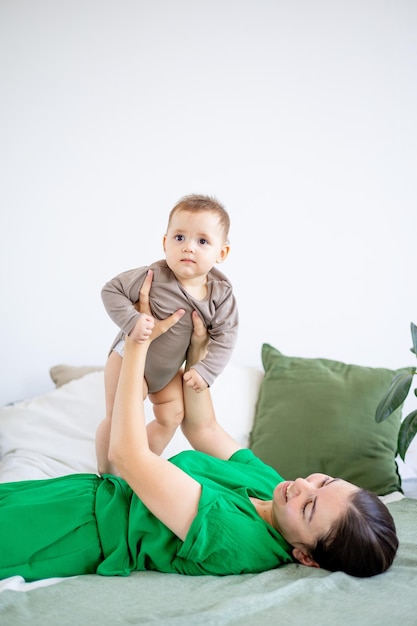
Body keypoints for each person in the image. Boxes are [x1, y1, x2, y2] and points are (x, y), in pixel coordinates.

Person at [0, 274, 398, 582]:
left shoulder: (238, 537)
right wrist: (198, 357)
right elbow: (204, 428)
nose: (302, 486)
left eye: (309, 507)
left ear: (306, 557)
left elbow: (127, 455)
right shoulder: (271, 489)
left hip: (77, 531)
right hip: (81, 493)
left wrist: (137, 346)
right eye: (323, 482)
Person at [97, 194, 238, 465]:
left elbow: (226, 336)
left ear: (222, 253)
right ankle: (106, 473)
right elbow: (111, 290)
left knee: (173, 413)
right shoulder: (154, 275)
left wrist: (206, 370)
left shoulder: (221, 294)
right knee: (119, 419)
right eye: (179, 238)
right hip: (127, 360)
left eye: (202, 241)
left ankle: (142, 468)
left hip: (167, 371)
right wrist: (132, 320)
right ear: (165, 243)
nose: (189, 248)